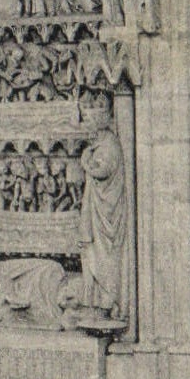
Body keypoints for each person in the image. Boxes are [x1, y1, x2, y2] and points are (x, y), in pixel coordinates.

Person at [76, 94, 127, 318]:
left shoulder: (108, 145)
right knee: (91, 253)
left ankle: (107, 301)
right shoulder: (100, 145)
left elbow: (102, 171)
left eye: (87, 121)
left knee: (102, 255)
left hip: (105, 215)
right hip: (96, 208)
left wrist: (85, 163)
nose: (84, 126)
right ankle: (96, 301)